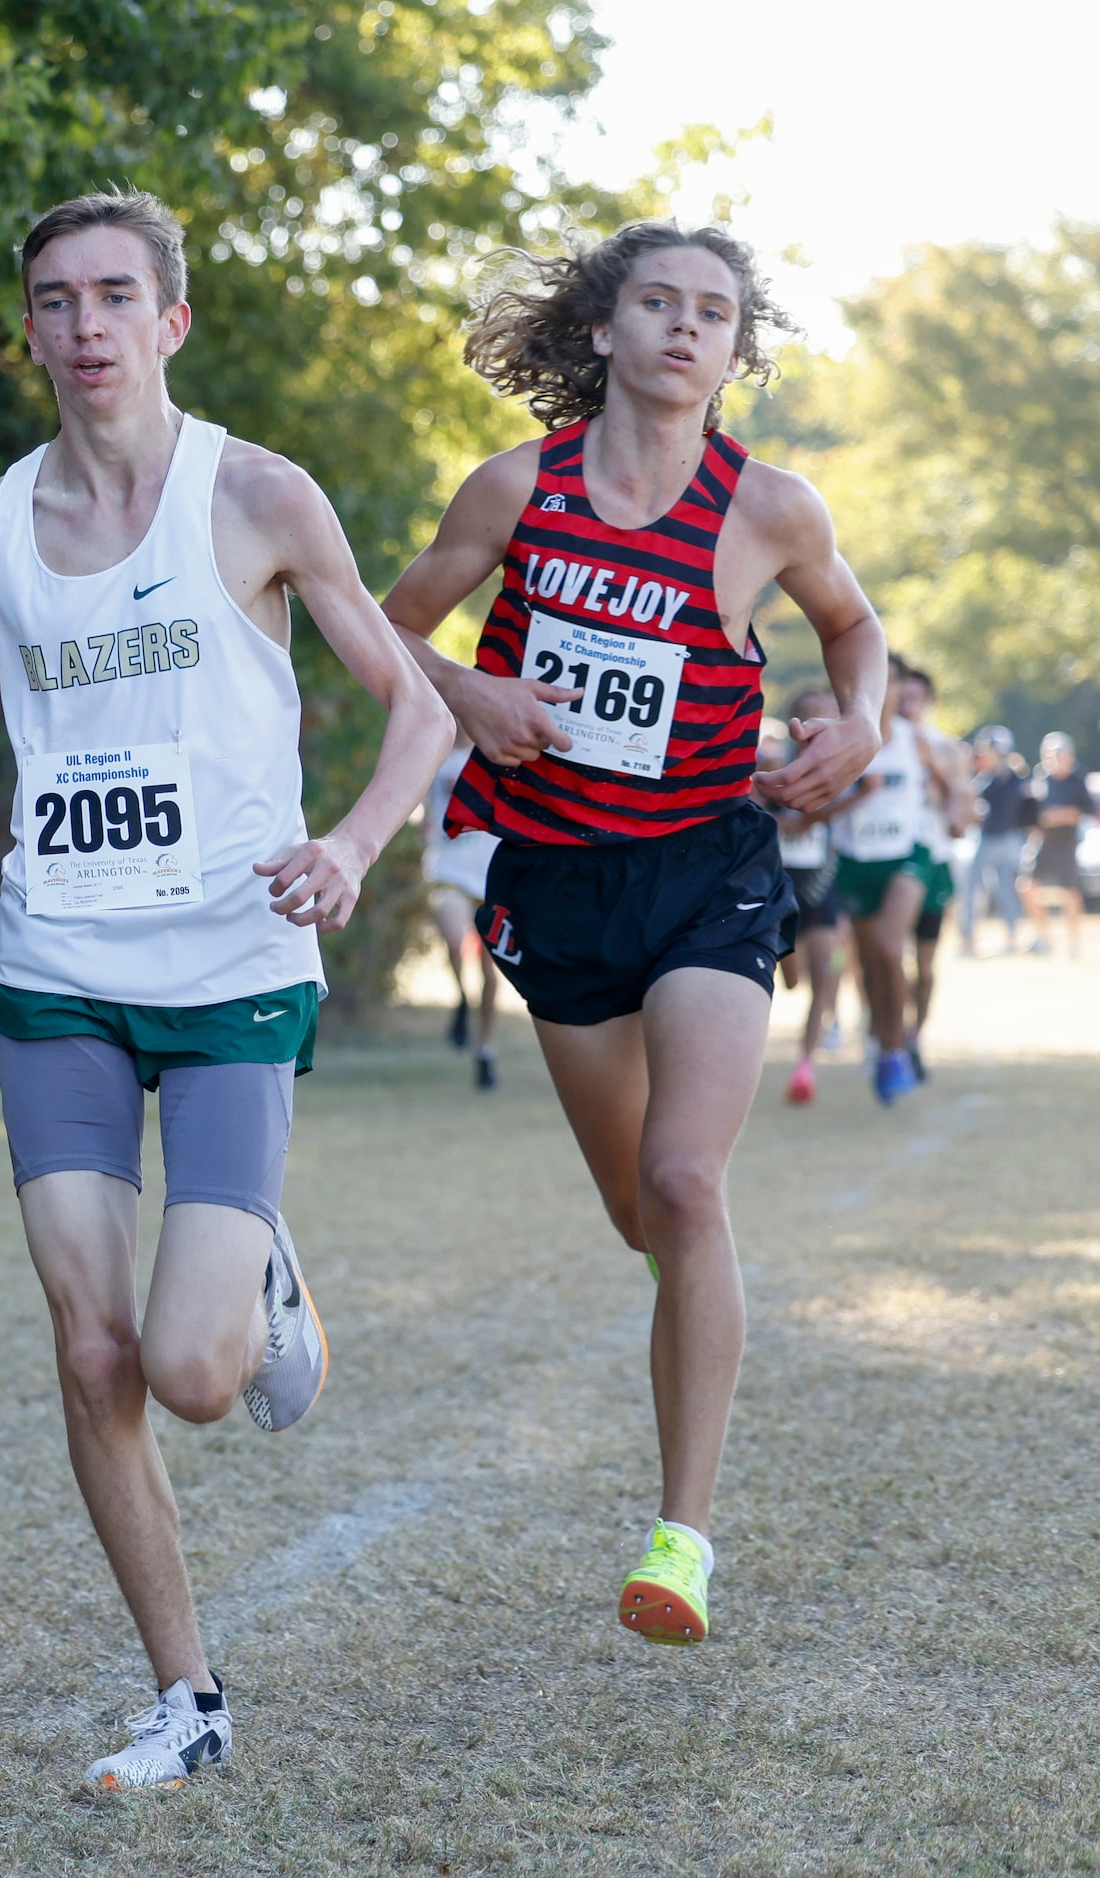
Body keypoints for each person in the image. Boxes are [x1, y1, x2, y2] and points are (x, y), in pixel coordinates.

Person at [0, 191, 448, 1791]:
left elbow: (412, 710)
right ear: (31, 331)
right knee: (91, 1349)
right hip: (60, 967)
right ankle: (187, 1695)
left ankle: (256, 1273)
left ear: (170, 322)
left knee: (196, 1374)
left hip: (230, 967)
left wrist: (348, 844)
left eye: (115, 296)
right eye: (56, 300)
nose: (84, 327)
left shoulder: (259, 496)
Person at [381, 221, 884, 1647]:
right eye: (655, 302)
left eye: (712, 313)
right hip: (555, 878)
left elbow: (852, 630)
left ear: (734, 351)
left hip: (708, 867)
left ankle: (684, 1535)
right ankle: (688, 1284)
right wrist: (465, 695)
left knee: (688, 1176)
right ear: (602, 330)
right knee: (641, 1215)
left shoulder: (769, 507)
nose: (683, 328)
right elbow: (381, 623)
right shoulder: (514, 489)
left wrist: (854, 725)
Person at [830, 664, 930, 1104]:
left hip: (908, 858)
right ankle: (885, 1043)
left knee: (891, 947)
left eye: (891, 681)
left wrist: (960, 802)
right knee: (871, 966)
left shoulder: (917, 739)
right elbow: (817, 805)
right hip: (856, 863)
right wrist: (856, 794)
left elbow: (957, 787)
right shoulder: (838, 738)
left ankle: (897, 1047)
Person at [892, 663, 972, 1076]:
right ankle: (887, 1034)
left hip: (935, 863)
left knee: (923, 965)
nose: (907, 706)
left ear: (928, 702)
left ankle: (913, 1037)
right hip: (890, 862)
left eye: (915, 699)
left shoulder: (947, 749)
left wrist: (933, 768)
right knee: (886, 953)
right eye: (900, 697)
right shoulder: (882, 743)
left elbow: (962, 821)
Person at [771, 694, 845, 1106]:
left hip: (821, 886)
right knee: (792, 980)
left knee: (823, 977)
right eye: (813, 713)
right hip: (779, 888)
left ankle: (805, 1068)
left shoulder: (842, 772)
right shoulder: (770, 765)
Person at [423, 736, 507, 1088]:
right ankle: (460, 998)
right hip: (451, 870)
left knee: (491, 975)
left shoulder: (496, 754)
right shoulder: (438, 753)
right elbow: (428, 813)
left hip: (491, 876)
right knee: (456, 942)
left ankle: (484, 1051)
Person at [961, 726, 1031, 955]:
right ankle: (970, 940)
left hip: (1004, 840)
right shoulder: (990, 778)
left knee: (1004, 890)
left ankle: (1012, 938)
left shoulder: (1010, 779)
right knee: (977, 888)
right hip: (991, 838)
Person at [1026, 732, 1089, 958]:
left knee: (1071, 893)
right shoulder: (1041, 777)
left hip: (1066, 844)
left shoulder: (1077, 779)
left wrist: (1060, 815)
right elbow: (1033, 812)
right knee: (1027, 887)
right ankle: (1045, 937)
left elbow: (1085, 811)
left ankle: (1074, 943)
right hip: (1043, 841)